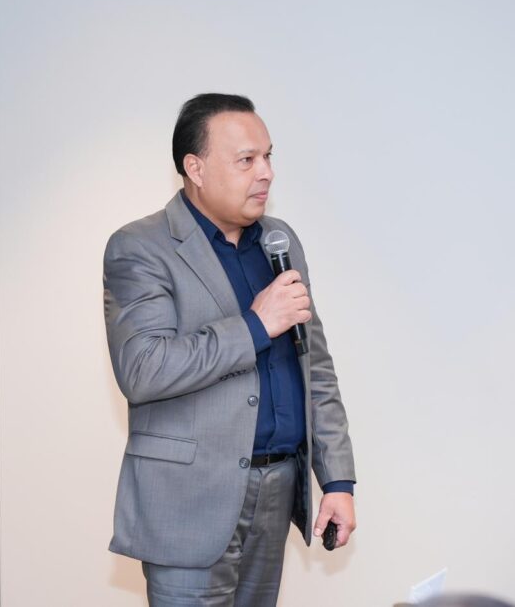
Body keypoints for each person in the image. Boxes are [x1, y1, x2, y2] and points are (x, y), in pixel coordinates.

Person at [103, 94, 357, 606]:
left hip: (276, 490)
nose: (266, 173)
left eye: (268, 156)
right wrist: (255, 325)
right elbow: (143, 368)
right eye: (246, 160)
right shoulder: (141, 247)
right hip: (189, 501)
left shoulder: (280, 242)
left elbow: (315, 367)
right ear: (195, 168)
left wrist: (337, 480)